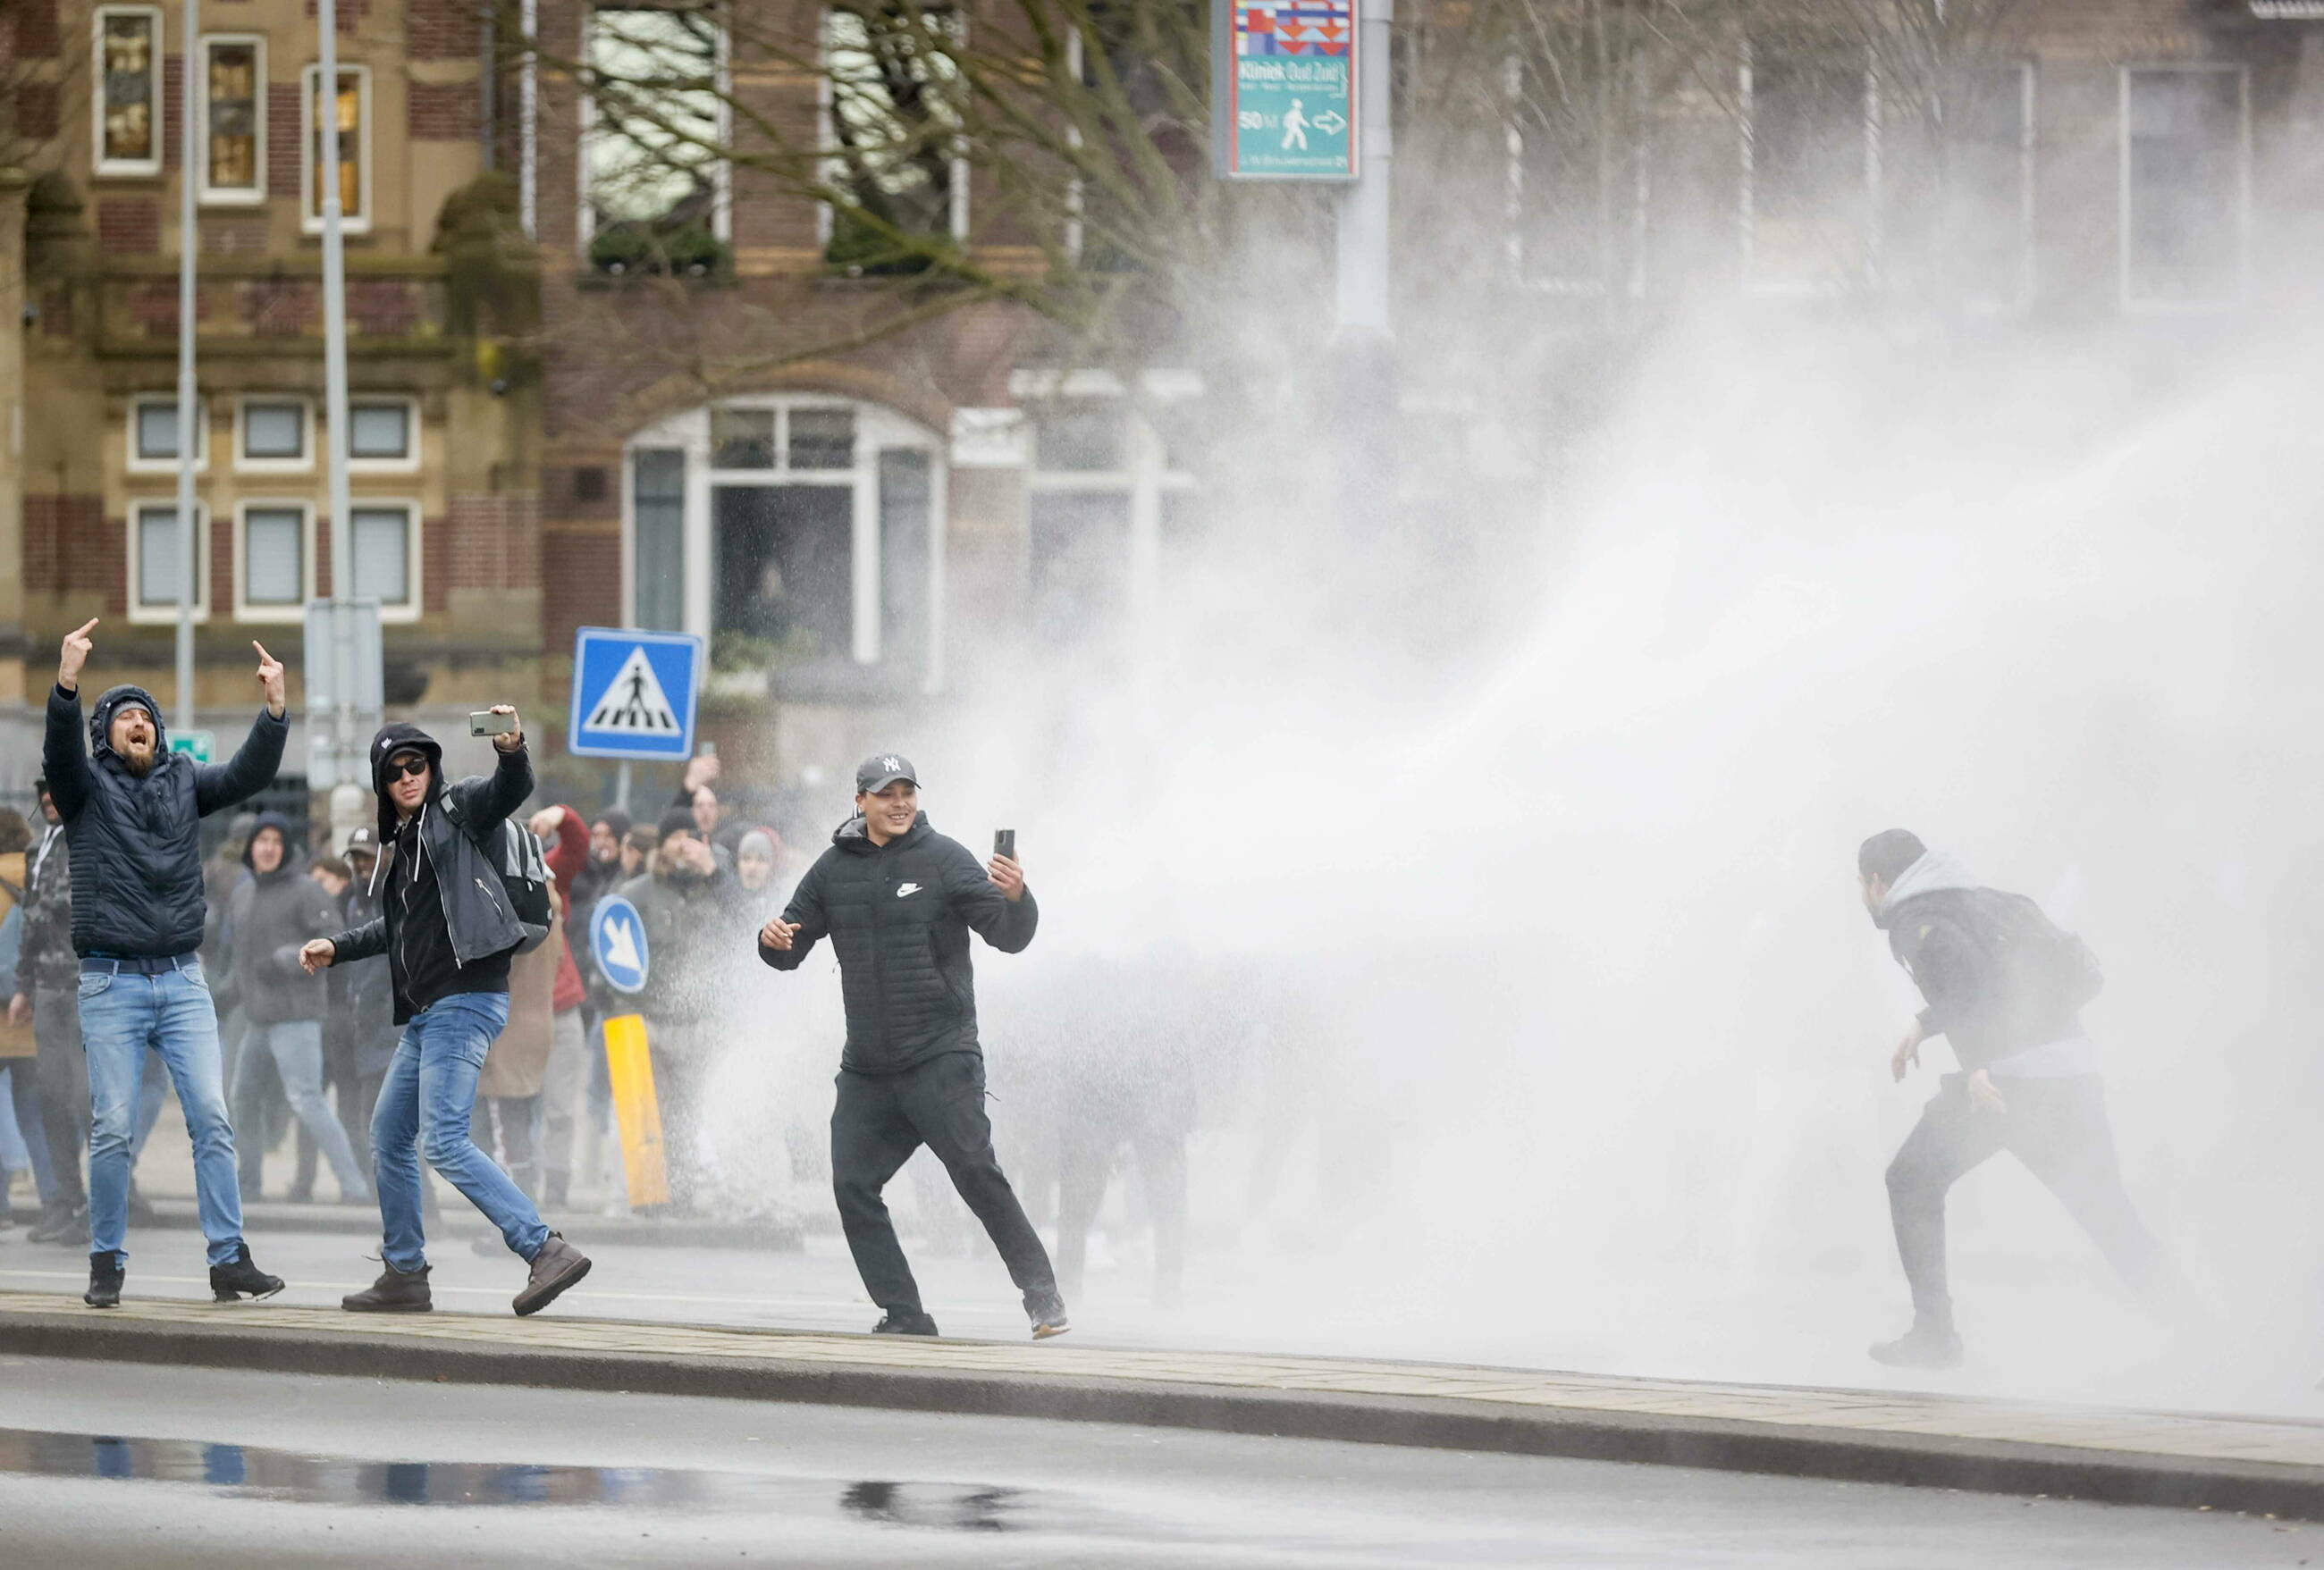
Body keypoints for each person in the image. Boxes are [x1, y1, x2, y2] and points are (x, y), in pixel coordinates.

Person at [757, 753, 1066, 1340]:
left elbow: (1009, 935)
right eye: (885, 792)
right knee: (852, 1185)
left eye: (907, 792)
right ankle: (905, 1312)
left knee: (976, 1171)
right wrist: (770, 940)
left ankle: (1043, 1297)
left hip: (940, 1055)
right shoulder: (830, 870)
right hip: (869, 1068)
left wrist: (1018, 897)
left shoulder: (944, 858)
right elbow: (788, 945)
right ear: (860, 801)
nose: (899, 802)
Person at [300, 713, 592, 1317]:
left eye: (417, 765)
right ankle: (405, 1271)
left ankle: (544, 1247)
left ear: (431, 767)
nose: (408, 776)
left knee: (445, 1139)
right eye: (394, 770)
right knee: (388, 1134)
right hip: (430, 1011)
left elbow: (507, 789)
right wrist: (340, 945)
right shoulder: (406, 844)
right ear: (381, 782)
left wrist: (511, 750)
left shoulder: (458, 813)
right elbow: (402, 927)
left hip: (465, 1000)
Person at [41, 618, 288, 1308]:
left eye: (145, 714)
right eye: (123, 717)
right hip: (111, 981)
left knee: (211, 1114)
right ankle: (106, 1260)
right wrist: (66, 683)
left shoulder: (185, 780)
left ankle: (229, 1258)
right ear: (105, 736)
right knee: (114, 1126)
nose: (138, 722)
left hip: (182, 978)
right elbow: (59, 754)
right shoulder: (84, 789)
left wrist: (273, 709)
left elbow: (249, 772)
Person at [1859, 828, 2172, 1369]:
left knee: (1910, 1179)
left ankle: (1934, 1335)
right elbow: (2013, 983)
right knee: (2108, 1214)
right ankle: (2202, 1336)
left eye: (1863, 885)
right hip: (2071, 1071)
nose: (1865, 896)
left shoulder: (1914, 920)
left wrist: (1971, 1058)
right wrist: (1930, 1026)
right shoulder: (1989, 901)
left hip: (2007, 1084)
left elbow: (1972, 986)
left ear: (1880, 882)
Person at [225, 815, 368, 1205]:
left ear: (286, 848)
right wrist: (224, 996)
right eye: (261, 840)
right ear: (251, 847)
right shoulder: (244, 893)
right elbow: (240, 958)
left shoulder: (307, 890)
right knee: (243, 1097)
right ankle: (249, 1183)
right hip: (257, 1016)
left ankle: (355, 1188)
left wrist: (286, 959)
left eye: (276, 840)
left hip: (298, 1014)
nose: (268, 847)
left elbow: (334, 940)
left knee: (307, 1100)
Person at [616, 810, 736, 1208]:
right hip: (652, 1022)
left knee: (690, 1112)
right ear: (663, 843)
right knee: (655, 1112)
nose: (685, 844)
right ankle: (649, 1196)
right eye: (677, 836)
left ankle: (683, 1196)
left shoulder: (715, 889)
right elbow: (612, 956)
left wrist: (716, 873)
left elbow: (745, 922)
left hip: (701, 1024)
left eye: (693, 837)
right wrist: (630, 1016)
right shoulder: (636, 894)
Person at [11, 779, 88, 1243]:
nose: (47, 797)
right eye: (41, 790)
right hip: (48, 989)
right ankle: (67, 1202)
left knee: (90, 1101)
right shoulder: (37, 850)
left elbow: (64, 906)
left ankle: (103, 1204)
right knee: (51, 1099)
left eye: (56, 788)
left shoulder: (89, 840)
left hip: (86, 986)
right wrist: (23, 984)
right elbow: (30, 919)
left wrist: (40, 911)